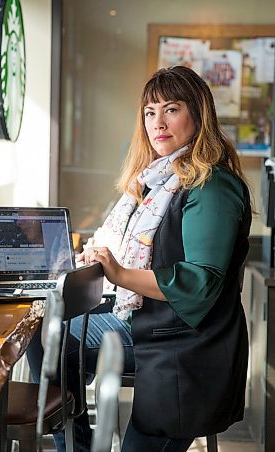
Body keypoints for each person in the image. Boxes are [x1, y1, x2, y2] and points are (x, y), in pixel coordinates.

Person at [27, 65, 252, 452]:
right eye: (150, 112)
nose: (158, 123)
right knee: (46, 334)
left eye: (171, 109)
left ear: (198, 115)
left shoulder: (210, 187)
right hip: (150, 325)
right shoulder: (157, 181)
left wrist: (118, 271)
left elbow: (198, 285)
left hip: (187, 347)